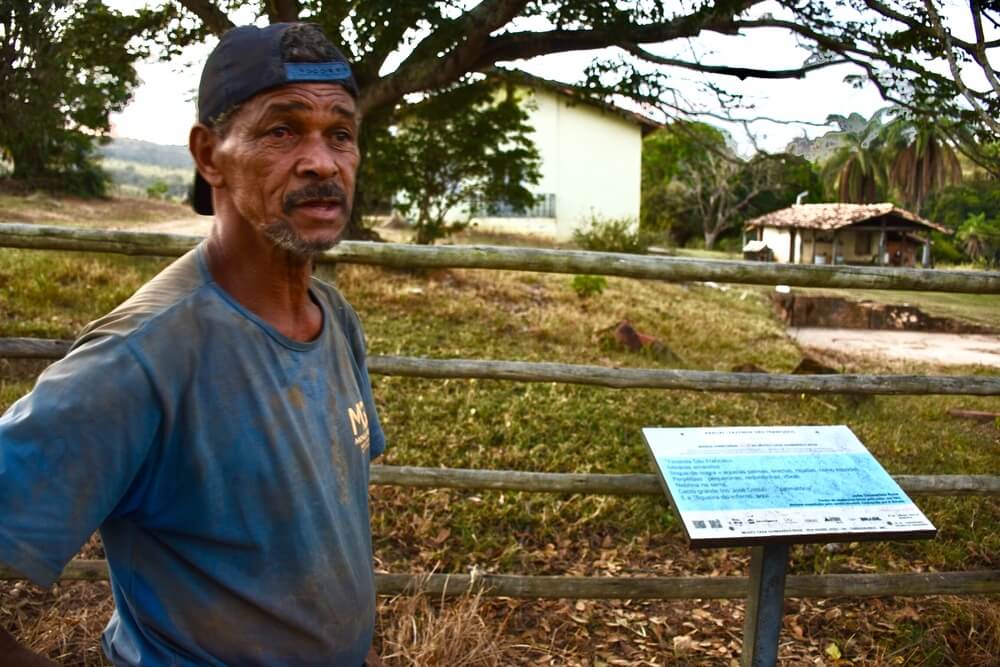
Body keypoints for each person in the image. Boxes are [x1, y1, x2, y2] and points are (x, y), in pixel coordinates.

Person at [0, 23, 386, 666]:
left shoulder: (334, 318)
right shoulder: (141, 356)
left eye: (340, 133)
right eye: (282, 130)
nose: (323, 161)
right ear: (210, 156)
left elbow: (332, 531)